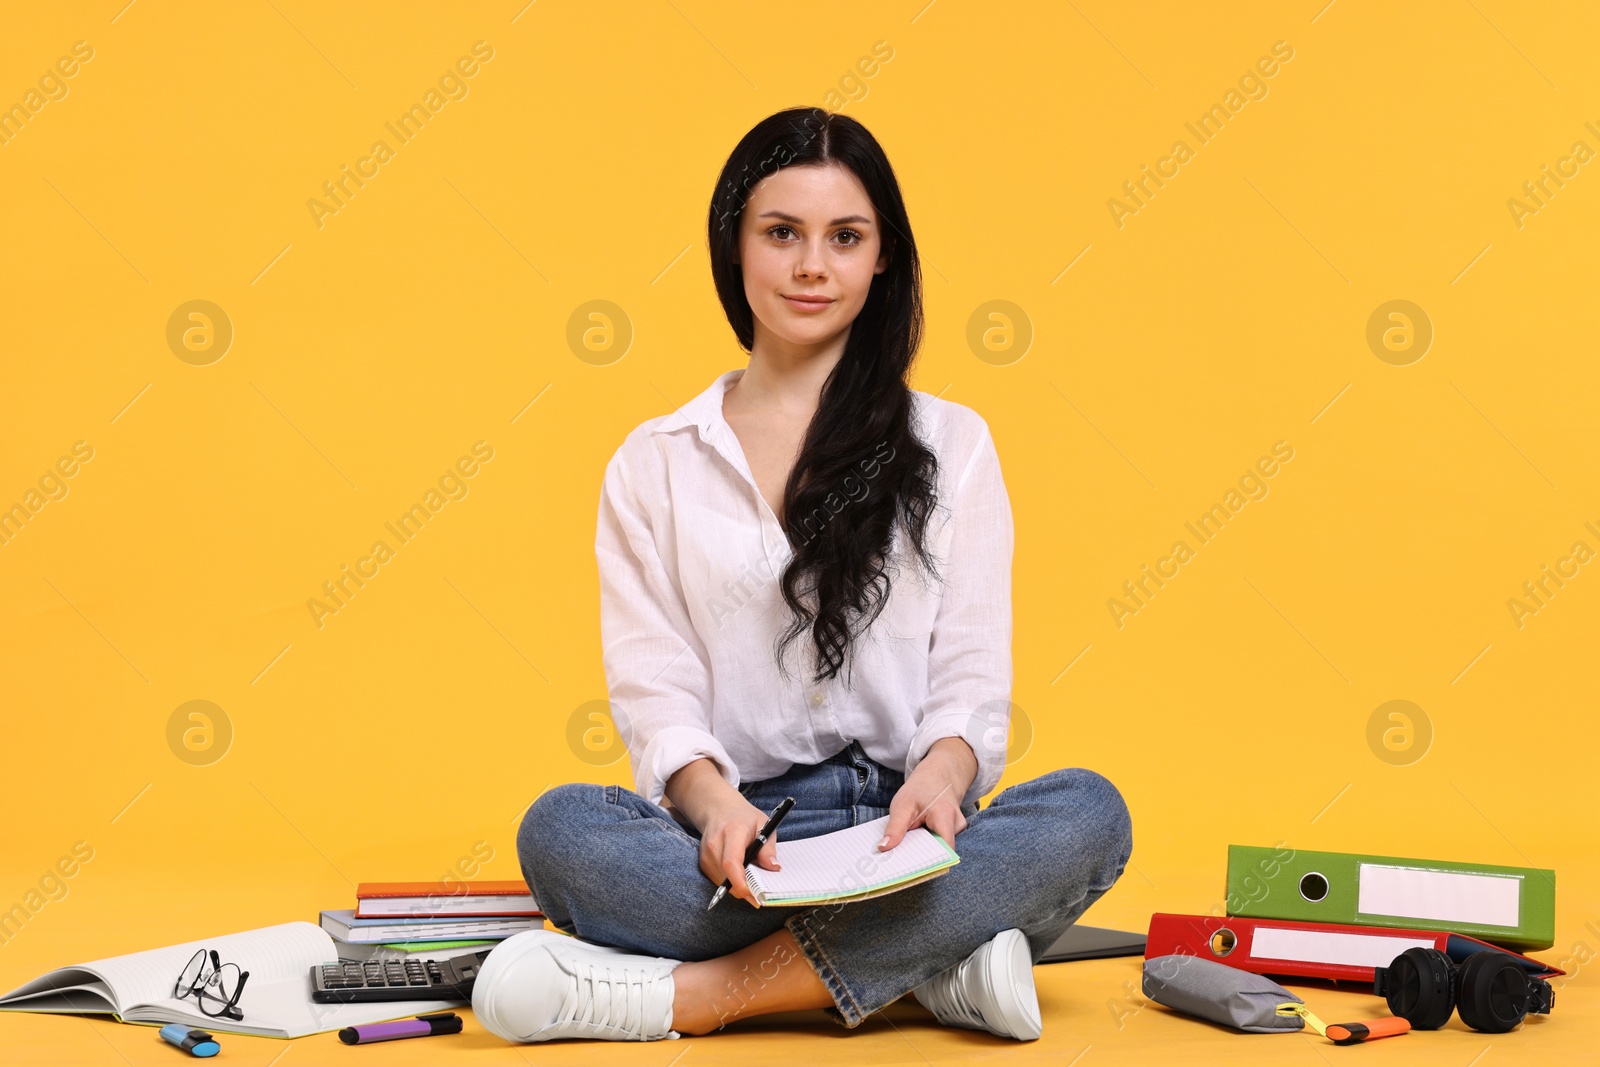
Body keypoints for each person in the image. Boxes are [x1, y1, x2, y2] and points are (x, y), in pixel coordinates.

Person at [471, 107, 1133, 1044]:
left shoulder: (953, 444)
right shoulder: (653, 462)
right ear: (734, 247)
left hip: (914, 829)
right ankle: (930, 969)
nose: (812, 266)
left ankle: (703, 995)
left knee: (1088, 814)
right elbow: (657, 698)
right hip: (748, 837)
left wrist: (943, 782)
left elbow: (972, 683)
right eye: (782, 233)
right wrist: (714, 809)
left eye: (845, 238)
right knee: (562, 830)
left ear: (882, 260)